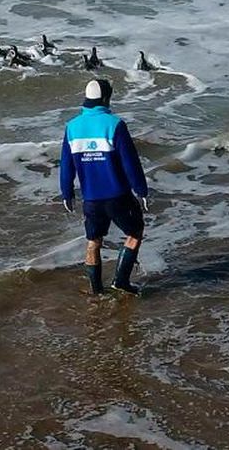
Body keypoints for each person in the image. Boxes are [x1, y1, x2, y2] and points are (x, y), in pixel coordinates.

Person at [59, 78, 151, 296]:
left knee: (93, 242)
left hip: (91, 199)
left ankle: (96, 291)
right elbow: (131, 163)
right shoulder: (114, 124)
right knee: (135, 233)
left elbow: (66, 165)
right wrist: (142, 190)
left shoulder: (71, 127)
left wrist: (67, 192)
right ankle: (121, 282)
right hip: (118, 195)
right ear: (106, 98)